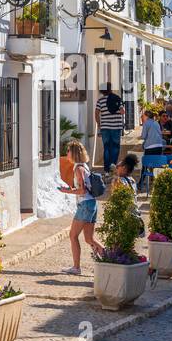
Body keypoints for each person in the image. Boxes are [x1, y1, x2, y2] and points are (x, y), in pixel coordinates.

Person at [61, 141, 103, 274]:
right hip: (91, 204)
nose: (66, 153)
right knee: (89, 239)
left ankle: (76, 267)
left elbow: (82, 191)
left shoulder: (78, 168)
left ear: (73, 153)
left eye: (68, 151)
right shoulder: (84, 166)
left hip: (85, 204)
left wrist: (66, 191)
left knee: (73, 235)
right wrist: (72, 189)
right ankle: (110, 258)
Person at [95, 84, 125, 174]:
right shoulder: (117, 98)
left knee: (107, 148)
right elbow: (122, 111)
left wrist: (100, 125)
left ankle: (106, 170)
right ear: (110, 89)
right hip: (116, 127)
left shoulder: (100, 101)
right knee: (115, 147)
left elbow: (96, 114)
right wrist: (117, 110)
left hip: (105, 128)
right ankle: (113, 166)